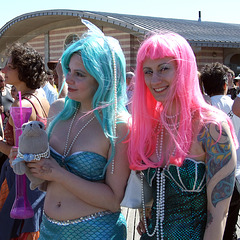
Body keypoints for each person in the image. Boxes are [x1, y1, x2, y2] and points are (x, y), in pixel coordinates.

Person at [11, 19, 130, 239]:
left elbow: (113, 200)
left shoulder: (118, 125)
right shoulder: (57, 110)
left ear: (102, 78)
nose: (68, 79)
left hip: (96, 232)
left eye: (80, 74)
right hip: (49, 230)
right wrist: (27, 163)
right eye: (69, 70)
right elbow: (46, 181)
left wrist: (59, 173)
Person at [128, 32, 237, 240]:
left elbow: (219, 216)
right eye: (148, 71)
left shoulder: (213, 128)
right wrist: (147, 207)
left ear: (183, 69)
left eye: (164, 68)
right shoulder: (152, 125)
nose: (155, 79)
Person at [0, 42, 50, 240]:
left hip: (20, 181)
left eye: (10, 66)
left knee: (13, 230)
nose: (4, 69)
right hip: (39, 180)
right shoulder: (40, 97)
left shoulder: (21, 105)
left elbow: (19, 153)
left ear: (23, 71)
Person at [200, 62, 240, 240]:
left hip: (203, 178)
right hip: (235, 175)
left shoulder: (201, 110)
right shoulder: (234, 105)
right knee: (229, 227)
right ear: (225, 85)